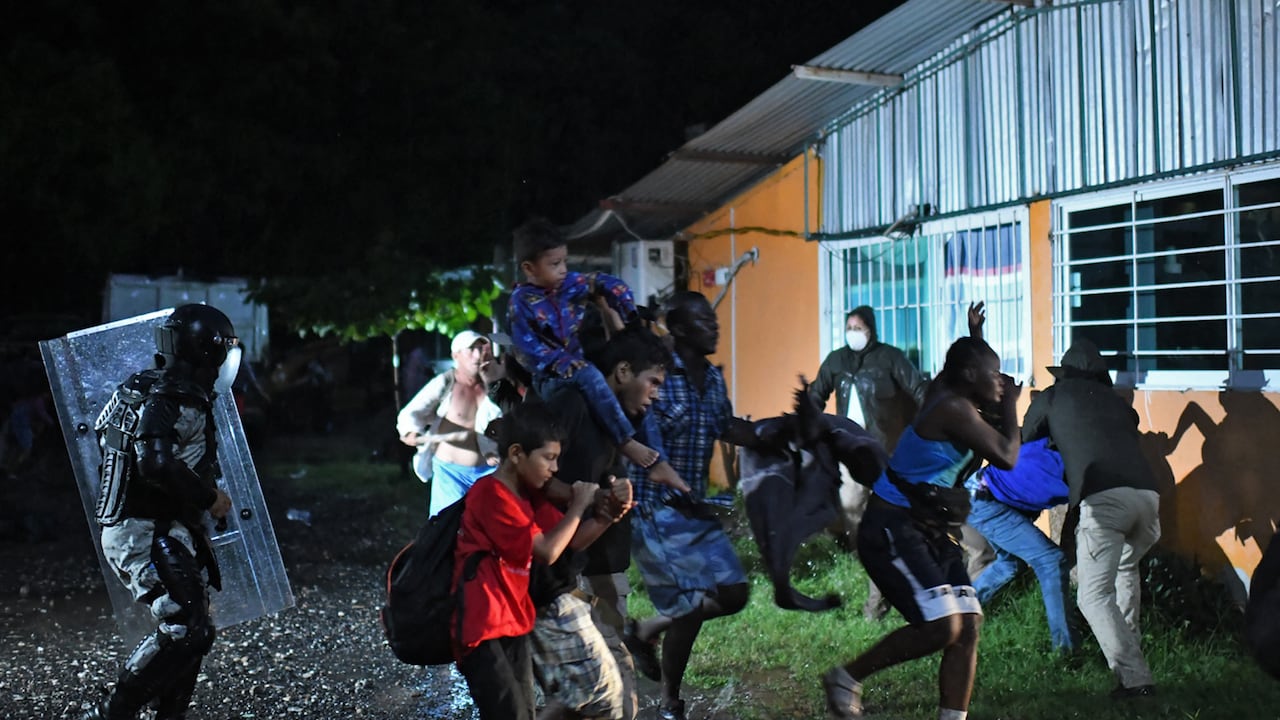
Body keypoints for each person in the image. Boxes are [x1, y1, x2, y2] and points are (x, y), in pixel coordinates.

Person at [822, 335, 1021, 720]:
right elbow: (1007, 455)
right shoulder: (953, 407)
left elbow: (966, 364)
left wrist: (975, 335)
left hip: (928, 527)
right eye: (993, 374)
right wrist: (1011, 404)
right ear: (967, 374)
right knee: (943, 626)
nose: (1001, 380)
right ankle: (846, 677)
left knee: (968, 626)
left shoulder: (951, 388)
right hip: (893, 525)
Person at [82, 304, 239, 720]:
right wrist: (210, 498)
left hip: (163, 526)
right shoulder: (168, 397)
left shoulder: (143, 388)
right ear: (207, 352)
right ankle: (113, 712)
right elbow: (155, 463)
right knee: (189, 627)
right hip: (144, 528)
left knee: (194, 626)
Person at [623, 292, 758, 720]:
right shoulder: (658, 377)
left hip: (693, 505)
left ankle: (646, 631)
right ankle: (670, 702)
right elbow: (632, 429)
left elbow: (727, 427)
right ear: (679, 330)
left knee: (734, 593)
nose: (714, 326)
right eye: (703, 320)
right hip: (654, 505)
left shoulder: (713, 380)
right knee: (690, 605)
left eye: (713, 319)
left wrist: (783, 430)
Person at [531, 326, 671, 720]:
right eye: (653, 382)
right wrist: (590, 499)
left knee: (599, 695)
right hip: (558, 576)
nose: (656, 394)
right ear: (623, 371)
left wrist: (613, 503)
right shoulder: (571, 405)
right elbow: (533, 474)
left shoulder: (621, 422)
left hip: (600, 563)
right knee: (605, 696)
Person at [1022, 338, 1161, 699]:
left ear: (1064, 374)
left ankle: (1136, 680)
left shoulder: (1053, 397)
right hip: (1148, 499)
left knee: (1092, 596)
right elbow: (1125, 426)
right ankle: (1129, 664)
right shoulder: (1117, 404)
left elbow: (1025, 437)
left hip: (1104, 501)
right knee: (1124, 573)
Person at [506, 217, 684, 491]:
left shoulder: (569, 286)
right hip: (553, 374)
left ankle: (659, 462)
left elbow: (606, 283)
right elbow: (527, 350)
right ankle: (625, 441)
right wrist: (561, 360)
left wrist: (626, 309)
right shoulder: (521, 303)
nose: (563, 270)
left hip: (580, 367)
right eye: (555, 264)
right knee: (589, 376)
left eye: (565, 261)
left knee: (638, 394)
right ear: (529, 268)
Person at [452, 402, 600, 720]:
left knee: (526, 712)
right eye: (549, 458)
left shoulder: (526, 496)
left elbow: (568, 541)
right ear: (517, 453)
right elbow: (547, 550)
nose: (555, 468)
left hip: (514, 624)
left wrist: (607, 516)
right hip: (483, 629)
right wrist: (579, 504)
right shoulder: (490, 494)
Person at [809, 305, 930, 619]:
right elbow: (815, 395)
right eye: (849, 326)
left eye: (858, 327)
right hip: (851, 450)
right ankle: (869, 560)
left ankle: (887, 585)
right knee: (851, 508)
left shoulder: (890, 358)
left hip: (887, 450)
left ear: (871, 329)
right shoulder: (837, 360)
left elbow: (918, 389)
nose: (853, 332)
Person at [964, 437, 1076, 653]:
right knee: (1051, 560)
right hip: (984, 499)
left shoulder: (1054, 443)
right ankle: (1065, 651)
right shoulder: (1072, 465)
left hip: (983, 493)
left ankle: (959, 616)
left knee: (1010, 563)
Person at [396, 329, 503, 517]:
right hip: (451, 473)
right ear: (456, 355)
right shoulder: (445, 382)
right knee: (445, 529)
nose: (477, 355)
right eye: (471, 349)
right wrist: (410, 431)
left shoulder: (493, 384)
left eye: (480, 349)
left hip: (488, 473)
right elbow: (411, 412)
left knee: (490, 529)